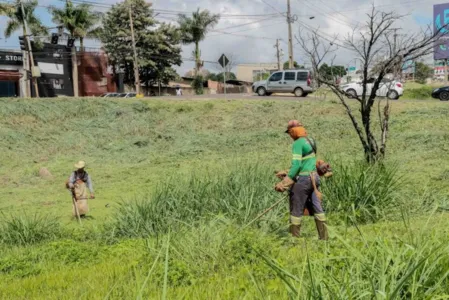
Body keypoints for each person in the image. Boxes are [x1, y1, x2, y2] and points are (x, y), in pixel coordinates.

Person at [274, 120, 328, 240]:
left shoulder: (297, 144)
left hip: (303, 180)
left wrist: (284, 183)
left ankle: (295, 241)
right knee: (318, 209)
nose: (290, 135)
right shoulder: (311, 141)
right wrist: (287, 171)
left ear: (293, 131)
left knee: (296, 211)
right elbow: (307, 163)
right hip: (314, 178)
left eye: (289, 132)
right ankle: (324, 238)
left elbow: (297, 165)